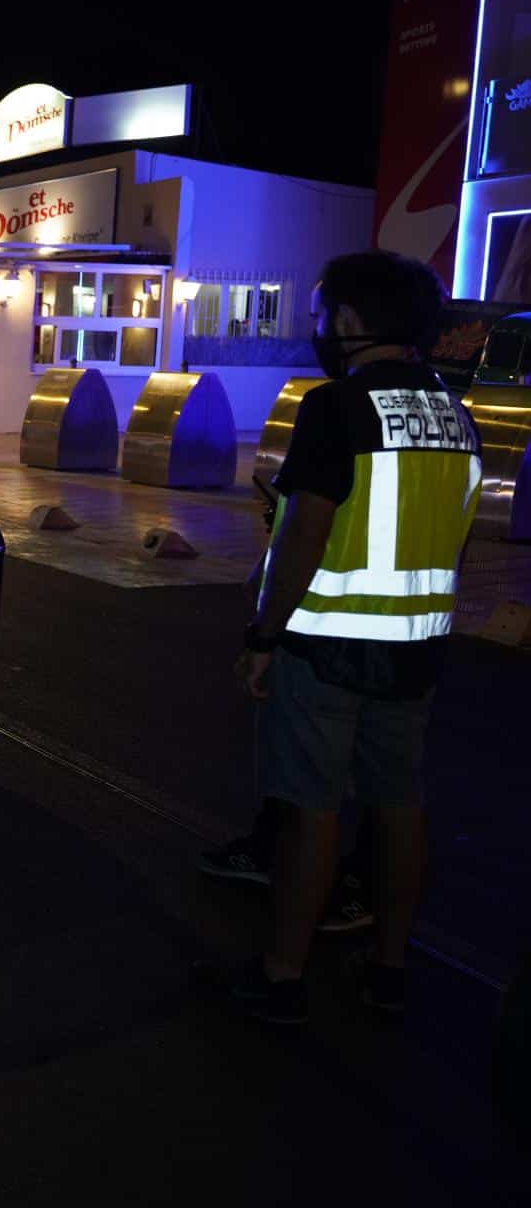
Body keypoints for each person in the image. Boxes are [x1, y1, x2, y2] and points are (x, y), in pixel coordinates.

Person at [199, 251, 482, 1026]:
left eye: (323, 313)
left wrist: (262, 634)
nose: (318, 328)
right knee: (397, 805)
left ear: (350, 322)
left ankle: (281, 974)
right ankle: (388, 968)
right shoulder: (454, 414)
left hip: (325, 647)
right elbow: (458, 539)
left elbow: (302, 535)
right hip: (417, 647)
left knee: (309, 810)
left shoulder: (336, 407)